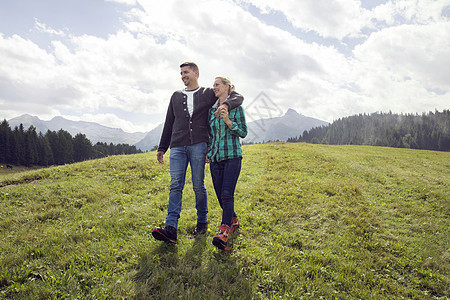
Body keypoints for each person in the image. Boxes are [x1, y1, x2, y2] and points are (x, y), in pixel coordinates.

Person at [152, 62, 244, 243]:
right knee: (175, 185)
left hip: (199, 145)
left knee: (197, 185)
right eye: (181, 73)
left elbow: (238, 97)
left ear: (196, 73)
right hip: (177, 146)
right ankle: (171, 228)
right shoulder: (176, 96)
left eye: (186, 72)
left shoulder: (208, 93)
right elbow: (169, 122)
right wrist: (163, 147)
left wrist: (225, 104)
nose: (182, 75)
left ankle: (202, 221)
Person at [207, 76, 247, 250]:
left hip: (232, 156)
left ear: (226, 87)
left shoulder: (237, 108)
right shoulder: (211, 110)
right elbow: (211, 134)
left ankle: (224, 231)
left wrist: (229, 122)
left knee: (226, 194)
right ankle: (234, 220)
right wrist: (209, 151)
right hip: (215, 159)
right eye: (213, 85)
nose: (214, 87)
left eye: (217, 84)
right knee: (219, 196)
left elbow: (244, 132)